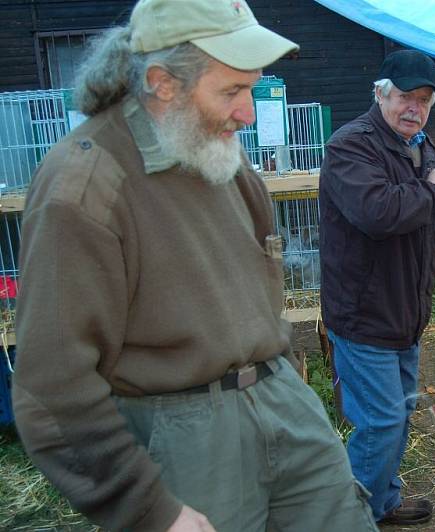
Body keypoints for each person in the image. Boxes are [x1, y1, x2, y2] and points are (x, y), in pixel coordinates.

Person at [11, 1, 378, 531]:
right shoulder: (85, 184)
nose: (248, 114)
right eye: (231, 91)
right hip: (183, 431)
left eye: (251, 88)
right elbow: (51, 391)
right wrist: (149, 508)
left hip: (281, 397)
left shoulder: (218, 151)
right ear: (163, 83)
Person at [318, 49, 435, 526]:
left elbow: (427, 212)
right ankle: (351, 518)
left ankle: (382, 501)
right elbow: (380, 213)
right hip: (364, 314)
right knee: (381, 422)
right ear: (380, 93)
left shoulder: (418, 143)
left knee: (401, 412)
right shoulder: (350, 146)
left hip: (405, 311)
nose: (415, 108)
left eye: (425, 100)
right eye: (405, 97)